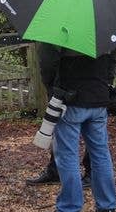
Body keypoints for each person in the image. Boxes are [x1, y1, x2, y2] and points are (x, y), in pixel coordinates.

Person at [41, 45, 116, 212]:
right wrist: (104, 84)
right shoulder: (104, 24)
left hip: (70, 98)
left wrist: (52, 90)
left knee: (67, 155)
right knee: (101, 153)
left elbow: (47, 65)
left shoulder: (59, 26)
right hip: (98, 98)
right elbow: (112, 62)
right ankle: (107, 209)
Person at [26, 42, 91, 188]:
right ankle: (90, 175)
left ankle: (69, 199)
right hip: (94, 90)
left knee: (64, 142)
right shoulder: (100, 24)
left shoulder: (56, 26)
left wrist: (52, 86)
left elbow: (47, 61)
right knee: (93, 139)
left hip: (65, 89)